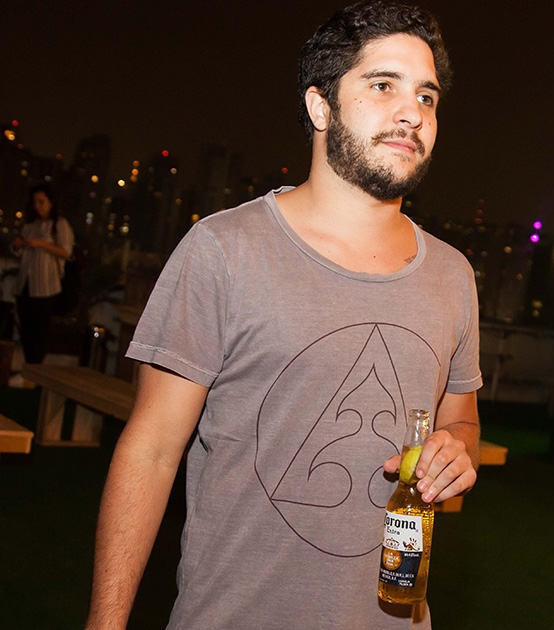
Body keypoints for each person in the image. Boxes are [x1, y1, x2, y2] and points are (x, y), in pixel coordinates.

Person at [85, 2, 482, 628]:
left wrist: (457, 451)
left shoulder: (453, 275)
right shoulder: (224, 250)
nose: (413, 112)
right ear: (320, 107)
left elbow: (462, 419)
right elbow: (151, 451)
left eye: (426, 97)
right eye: (384, 85)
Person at [11, 183, 74, 364]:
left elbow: (66, 252)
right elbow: (18, 253)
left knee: (39, 331)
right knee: (25, 329)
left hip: (46, 287)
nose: (37, 206)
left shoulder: (59, 224)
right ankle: (28, 366)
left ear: (50, 202)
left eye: (41, 202)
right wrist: (18, 245)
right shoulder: (30, 225)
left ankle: (35, 368)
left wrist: (42, 244)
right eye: (35, 202)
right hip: (25, 285)